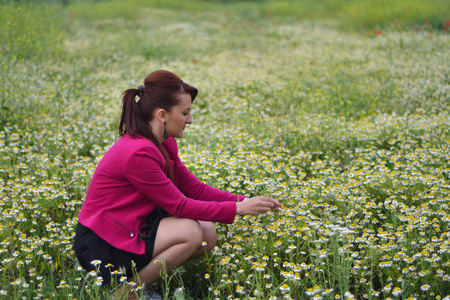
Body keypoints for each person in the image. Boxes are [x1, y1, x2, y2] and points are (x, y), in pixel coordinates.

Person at [73, 70, 281, 299]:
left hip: (132, 226)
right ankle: (125, 291)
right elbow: (179, 206)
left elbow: (193, 188)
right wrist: (237, 209)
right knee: (190, 232)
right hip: (103, 243)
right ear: (162, 115)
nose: (189, 120)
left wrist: (244, 201)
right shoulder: (137, 152)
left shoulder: (163, 142)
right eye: (185, 113)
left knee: (207, 233)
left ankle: (141, 280)